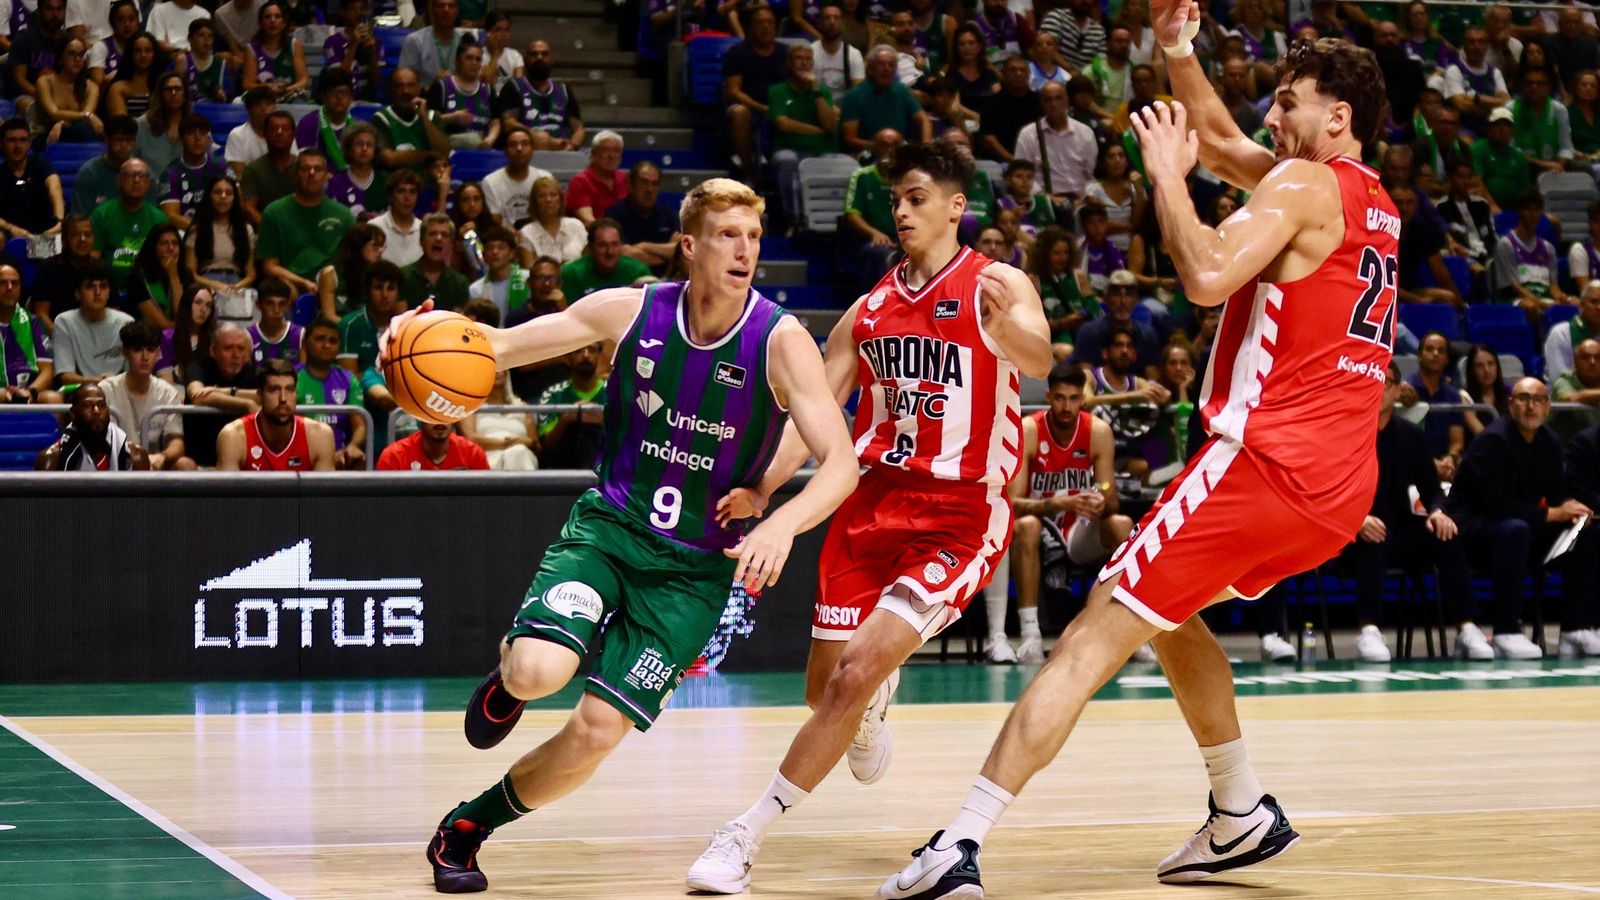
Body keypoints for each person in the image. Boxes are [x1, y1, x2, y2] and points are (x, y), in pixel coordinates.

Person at [876, 28, 1399, 896]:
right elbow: (1229, 146)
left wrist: (1164, 176)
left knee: (1094, 629)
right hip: (1339, 488)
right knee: (1167, 613)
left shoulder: (1302, 183)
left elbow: (1203, 274)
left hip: (1262, 466)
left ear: (1336, 116)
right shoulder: (1367, 197)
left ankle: (959, 843)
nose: (1271, 113)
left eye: (1289, 100)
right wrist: (1177, 49)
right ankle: (1239, 812)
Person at [408, 177, 859, 894]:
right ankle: (510, 678)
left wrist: (779, 518)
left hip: (692, 575)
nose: (744, 250)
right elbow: (494, 346)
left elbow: (843, 466)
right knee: (537, 673)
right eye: (726, 235)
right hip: (612, 531)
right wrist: (410, 339)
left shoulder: (781, 342)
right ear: (689, 246)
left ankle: (467, 825)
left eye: (753, 237)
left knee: (595, 731)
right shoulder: (632, 310)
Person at [686, 138, 1052, 894]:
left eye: (918, 197)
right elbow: (812, 414)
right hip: (870, 504)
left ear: (957, 206)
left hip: (959, 512)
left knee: (854, 670)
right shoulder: (870, 310)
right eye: (896, 200)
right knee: (828, 692)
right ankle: (872, 705)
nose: (903, 211)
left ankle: (741, 837)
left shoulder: (999, 281)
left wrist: (1007, 332)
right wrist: (763, 488)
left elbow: (1042, 357)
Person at [988, 365, 1133, 664]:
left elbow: (1112, 499)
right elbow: (1013, 503)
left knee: (1122, 525)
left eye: (1074, 398)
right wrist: (1060, 503)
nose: (1066, 406)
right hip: (1039, 528)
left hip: (1079, 530)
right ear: (1048, 397)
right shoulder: (1029, 429)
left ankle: (1127, 630)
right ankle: (1031, 636)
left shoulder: (1097, 431)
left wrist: (1100, 500)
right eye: (1060, 398)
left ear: (1083, 399)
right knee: (1025, 526)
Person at [1446, 376, 1592, 659]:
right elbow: (1494, 504)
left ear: (1548, 407)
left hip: (1522, 526)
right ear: (1511, 405)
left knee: (1586, 532)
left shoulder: (1548, 441)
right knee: (1515, 529)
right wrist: (1553, 512)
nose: (1530, 407)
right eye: (1523, 399)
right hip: (1472, 530)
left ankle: (1576, 630)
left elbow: (1558, 494)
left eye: (1538, 400)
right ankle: (1506, 631)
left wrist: (1571, 507)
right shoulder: (1493, 440)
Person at [1347, 361, 1474, 662]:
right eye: (1371, 379)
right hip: (1350, 534)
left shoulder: (1410, 435)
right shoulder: (1345, 434)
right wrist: (1356, 520)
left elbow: (1432, 491)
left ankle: (1467, 627)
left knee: (1445, 535)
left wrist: (1437, 512)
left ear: (1398, 390)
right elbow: (1326, 491)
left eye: (1385, 381)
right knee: (1373, 537)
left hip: (1399, 528)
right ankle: (1369, 629)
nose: (1377, 388)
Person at [257, 150, 358, 297]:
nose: (311, 173)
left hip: (335, 289)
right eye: (305, 169)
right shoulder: (274, 213)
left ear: (327, 176)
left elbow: (355, 264)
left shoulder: (344, 215)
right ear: (295, 174)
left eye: (318, 169)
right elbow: (270, 267)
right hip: (290, 287)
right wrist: (303, 283)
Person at [98, 319, 193, 470]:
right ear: (125, 353)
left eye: (150, 349)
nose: (145, 357)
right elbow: (97, 441)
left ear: (158, 353)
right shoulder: (105, 390)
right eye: (137, 350)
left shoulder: (168, 393)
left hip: (155, 464)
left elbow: (177, 442)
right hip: (115, 464)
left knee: (186, 465)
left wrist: (162, 457)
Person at [216, 358, 335, 470]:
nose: (283, 398)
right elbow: (228, 492)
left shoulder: (319, 435)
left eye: (290, 389)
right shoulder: (234, 436)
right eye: (274, 390)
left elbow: (324, 491)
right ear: (260, 394)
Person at [768, 45, 838, 229]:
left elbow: (830, 126)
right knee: (787, 161)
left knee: (843, 163)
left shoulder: (822, 91)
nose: (804, 63)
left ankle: (831, 222)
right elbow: (784, 124)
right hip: (789, 149)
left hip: (822, 151)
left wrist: (816, 93)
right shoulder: (778, 91)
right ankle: (794, 220)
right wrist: (817, 130)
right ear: (789, 64)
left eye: (808, 59)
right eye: (799, 58)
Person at [1084, 324, 1168, 479]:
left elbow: (1164, 395)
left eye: (1129, 347)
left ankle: (1159, 482)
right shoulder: (1090, 377)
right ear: (1105, 353)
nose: (1124, 351)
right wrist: (1132, 396)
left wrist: (1162, 393)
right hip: (1097, 449)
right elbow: (1087, 402)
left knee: (1160, 429)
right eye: (1118, 345)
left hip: (1130, 446)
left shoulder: (1137, 382)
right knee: (1146, 467)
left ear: (1135, 355)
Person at [185, 324, 261, 467]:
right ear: (213, 351)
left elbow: (266, 396)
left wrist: (225, 392)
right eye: (228, 348)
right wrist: (245, 403)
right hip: (201, 462)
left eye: (241, 348)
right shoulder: (199, 367)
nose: (236, 355)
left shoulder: (253, 372)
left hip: (243, 462)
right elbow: (198, 395)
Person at [1013, 81, 1097, 209]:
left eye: (1058, 98)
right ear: (1042, 103)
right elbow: (1021, 174)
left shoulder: (1085, 132)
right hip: (1044, 201)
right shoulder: (1028, 134)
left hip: (1081, 201)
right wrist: (1046, 197)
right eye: (1048, 99)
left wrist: (1085, 197)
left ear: (1067, 100)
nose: (1054, 104)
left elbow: (1091, 173)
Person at [295, 317, 366, 469]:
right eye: (320, 339)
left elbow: (359, 425)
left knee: (359, 458)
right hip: (301, 458)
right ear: (304, 344)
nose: (327, 345)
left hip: (339, 457)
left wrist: (351, 447)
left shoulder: (347, 378)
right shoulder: (292, 377)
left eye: (333, 341)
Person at [52, 261, 134, 388]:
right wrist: (96, 381)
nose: (97, 292)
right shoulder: (64, 321)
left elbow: (134, 373)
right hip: (78, 391)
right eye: (90, 287)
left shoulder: (126, 322)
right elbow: (65, 376)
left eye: (103, 286)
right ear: (78, 294)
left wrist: (112, 382)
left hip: (119, 390)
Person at [839, 46, 931, 155]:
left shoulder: (902, 91)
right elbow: (850, 139)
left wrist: (926, 147)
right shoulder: (853, 95)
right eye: (881, 64)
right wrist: (883, 147)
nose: (886, 68)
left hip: (898, 154)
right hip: (866, 154)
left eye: (891, 65)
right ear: (870, 69)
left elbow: (923, 119)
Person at [34, 383, 149, 470]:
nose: (96, 411)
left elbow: (140, 502)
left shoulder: (135, 457)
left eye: (101, 405)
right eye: (87, 405)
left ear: (108, 411)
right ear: (73, 414)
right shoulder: (52, 460)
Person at [496, 39, 583, 152]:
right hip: (527, 151)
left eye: (544, 54)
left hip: (561, 151)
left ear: (552, 60)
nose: (539, 57)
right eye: (534, 54)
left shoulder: (564, 90)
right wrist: (534, 136)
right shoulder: (514, 87)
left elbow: (579, 129)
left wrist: (572, 146)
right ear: (525, 60)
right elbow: (508, 123)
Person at [531, 341, 605, 469]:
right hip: (564, 463)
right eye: (578, 351)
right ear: (567, 357)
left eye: (592, 350)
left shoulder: (613, 391)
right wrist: (567, 418)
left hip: (604, 461)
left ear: (599, 355)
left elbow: (626, 436)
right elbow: (545, 445)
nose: (586, 355)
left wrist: (602, 420)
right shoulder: (553, 394)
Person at [1491, 187, 1566, 315]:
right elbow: (1514, 287)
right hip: (1515, 300)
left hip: (1544, 299)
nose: (1533, 215)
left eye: (1537, 210)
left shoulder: (1548, 248)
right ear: (1519, 212)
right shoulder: (1506, 244)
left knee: (1574, 304)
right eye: (1528, 210)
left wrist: (1562, 298)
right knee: (1530, 307)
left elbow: (1553, 286)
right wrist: (1540, 303)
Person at [373, 68, 453, 176]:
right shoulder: (381, 119)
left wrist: (424, 117)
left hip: (429, 184)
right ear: (392, 90)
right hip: (397, 185)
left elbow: (444, 153)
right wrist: (429, 155)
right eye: (399, 86)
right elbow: (389, 159)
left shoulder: (432, 116)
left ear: (419, 88)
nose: (406, 91)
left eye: (411, 85)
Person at [606, 162, 682, 271]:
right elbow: (625, 254)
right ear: (631, 186)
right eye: (644, 182)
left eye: (654, 184)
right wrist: (667, 254)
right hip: (629, 279)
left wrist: (645, 246)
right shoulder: (615, 214)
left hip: (664, 280)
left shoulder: (668, 214)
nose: (649, 189)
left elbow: (680, 252)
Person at [0, 264, 59, 404]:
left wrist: (30, 392)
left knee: (53, 398)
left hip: (26, 391)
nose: (10, 288)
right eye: (2, 283)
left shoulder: (34, 322)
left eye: (15, 283)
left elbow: (47, 371)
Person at [185, 178, 257, 292]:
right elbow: (190, 273)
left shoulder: (246, 229)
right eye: (217, 192)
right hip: (206, 282)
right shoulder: (197, 229)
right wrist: (216, 285)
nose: (223, 196)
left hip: (237, 283)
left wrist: (235, 287)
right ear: (209, 196)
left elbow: (251, 274)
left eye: (229, 193)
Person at [427, 38, 499, 150]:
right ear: (457, 61)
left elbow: (496, 122)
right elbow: (428, 120)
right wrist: (453, 117)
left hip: (481, 148)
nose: (474, 63)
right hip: (448, 150)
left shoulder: (488, 89)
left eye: (478, 59)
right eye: (469, 58)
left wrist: (491, 138)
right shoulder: (441, 87)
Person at [457, 368, 537, 469]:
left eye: (502, 368)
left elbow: (535, 444)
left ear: (507, 374)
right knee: (517, 452)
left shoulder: (523, 407)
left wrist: (522, 443)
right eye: (492, 370)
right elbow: (470, 439)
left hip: (523, 456)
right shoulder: (472, 406)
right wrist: (508, 443)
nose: (498, 371)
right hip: (487, 459)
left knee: (518, 453)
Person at [0, 118, 64, 240]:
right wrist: (10, 228)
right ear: (2, 144)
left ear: (29, 143)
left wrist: (59, 221)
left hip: (45, 233)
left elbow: (54, 189)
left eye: (23, 140)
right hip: (12, 235)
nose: (18, 146)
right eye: (11, 140)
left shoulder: (40, 163)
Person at [160, 116, 227, 232]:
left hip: (220, 227)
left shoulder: (221, 166)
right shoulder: (171, 173)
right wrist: (204, 231)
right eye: (191, 133)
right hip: (186, 231)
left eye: (202, 133)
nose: (197, 138)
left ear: (208, 138)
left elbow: (237, 202)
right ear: (181, 139)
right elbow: (170, 215)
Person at [560, 219, 651, 301]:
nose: (609, 252)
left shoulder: (638, 272)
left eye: (615, 244)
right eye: (602, 245)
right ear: (590, 248)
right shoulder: (572, 273)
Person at [35, 35, 102, 144]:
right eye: (72, 54)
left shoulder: (91, 87)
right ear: (61, 59)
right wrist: (86, 115)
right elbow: (54, 113)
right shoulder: (44, 82)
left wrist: (62, 123)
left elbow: (87, 116)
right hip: (49, 133)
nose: (77, 59)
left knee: (85, 130)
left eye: (81, 55)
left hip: (79, 132)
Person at [1444, 26, 1511, 134]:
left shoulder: (1495, 73)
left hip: (1492, 128)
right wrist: (1491, 106)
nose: (1476, 46)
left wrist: (1477, 99)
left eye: (1481, 42)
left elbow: (1506, 102)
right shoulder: (1454, 70)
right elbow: (1461, 105)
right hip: (1462, 127)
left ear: (1487, 46)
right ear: (1464, 46)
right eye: (1471, 42)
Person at [977, 56, 1041, 164]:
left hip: (1037, 159)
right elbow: (989, 139)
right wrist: (1014, 161)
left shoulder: (1040, 101)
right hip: (1003, 162)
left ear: (1029, 74)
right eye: (1013, 70)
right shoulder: (992, 103)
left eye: (1022, 70)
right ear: (1004, 74)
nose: (1018, 74)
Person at [480, 127, 549, 228]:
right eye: (513, 145)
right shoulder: (490, 182)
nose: (519, 149)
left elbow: (551, 217)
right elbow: (495, 223)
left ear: (533, 149)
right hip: (506, 239)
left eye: (525, 144)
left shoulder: (544, 177)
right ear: (505, 151)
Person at [8, 0, 68, 117]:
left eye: (59, 9)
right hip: (27, 95)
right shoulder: (24, 38)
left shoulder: (68, 42)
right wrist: (44, 96)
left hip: (59, 96)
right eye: (49, 9)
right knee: (31, 107)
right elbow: (19, 79)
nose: (55, 14)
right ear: (40, 12)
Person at [125, 223, 190, 328]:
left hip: (178, 338)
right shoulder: (137, 278)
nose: (171, 248)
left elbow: (182, 316)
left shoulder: (185, 275)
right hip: (147, 339)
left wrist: (174, 277)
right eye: (164, 243)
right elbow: (162, 326)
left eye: (175, 243)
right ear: (153, 248)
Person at [242, 1, 309, 102]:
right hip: (261, 96)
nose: (273, 20)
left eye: (277, 16)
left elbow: (304, 80)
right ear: (260, 23)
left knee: (299, 101)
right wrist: (268, 88)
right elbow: (247, 84)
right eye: (268, 17)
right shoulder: (251, 48)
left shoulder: (295, 45)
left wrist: (285, 89)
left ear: (283, 23)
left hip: (289, 94)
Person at [240, 110, 299, 225]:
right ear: (265, 135)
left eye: (285, 129)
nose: (279, 132)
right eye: (273, 129)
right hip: (263, 232)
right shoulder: (253, 169)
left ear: (293, 136)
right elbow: (249, 208)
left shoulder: (303, 167)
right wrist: (271, 230)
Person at [316, 223, 385, 322]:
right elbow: (329, 316)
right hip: (336, 330)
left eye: (382, 246)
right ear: (358, 245)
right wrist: (353, 329)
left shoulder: (375, 274)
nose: (380, 251)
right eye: (375, 245)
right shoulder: (330, 273)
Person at [71, 115, 138, 217]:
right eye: (118, 140)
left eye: (128, 140)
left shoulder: (141, 173)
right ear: (107, 140)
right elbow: (81, 218)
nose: (124, 145)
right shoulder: (89, 173)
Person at [402, 214, 472, 310]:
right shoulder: (403, 276)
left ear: (451, 243)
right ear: (421, 241)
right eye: (432, 234)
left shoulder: (459, 283)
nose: (438, 238)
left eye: (444, 235)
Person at [295, 68, 357, 170]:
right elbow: (303, 165)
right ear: (323, 96)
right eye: (334, 92)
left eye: (344, 92)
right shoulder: (308, 123)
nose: (339, 97)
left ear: (351, 97)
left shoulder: (358, 126)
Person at [135, 72, 193, 180]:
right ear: (160, 95)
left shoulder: (195, 125)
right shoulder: (142, 125)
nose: (173, 93)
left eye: (178, 89)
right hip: (150, 191)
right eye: (168, 89)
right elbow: (132, 161)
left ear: (185, 95)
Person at [466, 226, 530, 322]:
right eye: (490, 248)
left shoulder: (527, 279)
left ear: (512, 253)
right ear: (483, 255)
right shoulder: (476, 289)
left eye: (501, 247)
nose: (495, 252)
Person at [565, 131, 629, 226]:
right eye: (605, 150)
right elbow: (587, 220)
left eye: (616, 151)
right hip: (594, 235)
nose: (611, 156)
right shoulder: (581, 181)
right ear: (593, 154)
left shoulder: (624, 178)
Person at [398, 0, 466, 88]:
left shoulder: (465, 40)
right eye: (441, 6)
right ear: (432, 10)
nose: (446, 10)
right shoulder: (415, 40)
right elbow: (404, 82)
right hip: (425, 97)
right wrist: (434, 85)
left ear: (457, 11)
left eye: (451, 6)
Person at [1472, 106, 1530, 210]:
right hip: (1486, 206)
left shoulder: (1519, 155)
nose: (1502, 129)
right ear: (1489, 128)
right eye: (1497, 125)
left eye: (1507, 125)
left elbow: (1525, 189)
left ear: (1512, 131)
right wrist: (1492, 205)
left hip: (1515, 209)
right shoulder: (1478, 149)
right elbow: (1477, 182)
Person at [158, 283, 216, 383]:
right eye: (198, 302)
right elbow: (166, 385)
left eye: (208, 305)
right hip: (175, 394)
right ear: (187, 304)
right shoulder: (166, 338)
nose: (203, 310)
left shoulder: (214, 339)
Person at [322, 0, 379, 102]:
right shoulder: (332, 42)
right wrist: (353, 44)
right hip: (340, 100)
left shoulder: (374, 41)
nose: (358, 13)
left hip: (367, 100)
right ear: (343, 12)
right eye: (352, 9)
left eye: (362, 9)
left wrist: (372, 54)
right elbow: (337, 81)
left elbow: (377, 81)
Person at [325, 122, 385, 218]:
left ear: (376, 149)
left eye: (369, 144)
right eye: (359, 144)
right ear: (349, 149)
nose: (364, 149)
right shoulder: (335, 182)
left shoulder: (385, 181)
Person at [377, 421, 489, 469]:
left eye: (446, 413)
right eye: (432, 414)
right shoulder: (393, 457)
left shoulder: (473, 454)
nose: (439, 420)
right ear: (419, 417)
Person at [1546, 281, 1600, 383]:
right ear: (1581, 306)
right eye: (1594, 302)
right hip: (1565, 395)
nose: (1599, 308)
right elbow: (1560, 381)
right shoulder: (1561, 333)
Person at [224, 88, 283, 178]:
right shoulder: (237, 135)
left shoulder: (284, 134)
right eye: (258, 104)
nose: (264, 108)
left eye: (268, 104)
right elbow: (240, 177)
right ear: (249, 110)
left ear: (275, 108)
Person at [372, 171, 426, 267]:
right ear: (390, 196)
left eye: (412, 192)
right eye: (401, 191)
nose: (407, 198)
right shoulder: (374, 227)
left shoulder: (424, 229)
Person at [103, 32, 159, 119]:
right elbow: (122, 125)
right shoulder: (117, 88)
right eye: (137, 51)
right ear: (130, 54)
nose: (143, 55)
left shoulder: (162, 84)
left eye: (148, 50)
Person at [1552, 338, 1600, 438]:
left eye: (1598, 357)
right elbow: (1568, 398)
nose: (1592, 362)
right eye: (1585, 357)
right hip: (1568, 446)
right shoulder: (1565, 380)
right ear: (1575, 362)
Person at [812, 5, 864, 95]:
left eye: (836, 18)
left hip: (845, 106)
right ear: (820, 23)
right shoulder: (810, 52)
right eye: (827, 18)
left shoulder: (854, 54)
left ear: (843, 24)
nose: (832, 22)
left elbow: (858, 93)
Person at [1040, 0, 1105, 72]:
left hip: (1084, 79)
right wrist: (1071, 71)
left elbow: (1101, 61)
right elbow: (1047, 50)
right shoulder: (1056, 16)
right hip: (1054, 76)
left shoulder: (1098, 31)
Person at [181, 18, 233, 104]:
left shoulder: (221, 64)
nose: (206, 40)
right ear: (190, 39)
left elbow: (229, 97)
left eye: (210, 36)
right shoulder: (182, 61)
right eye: (201, 35)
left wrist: (224, 95)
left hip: (214, 112)